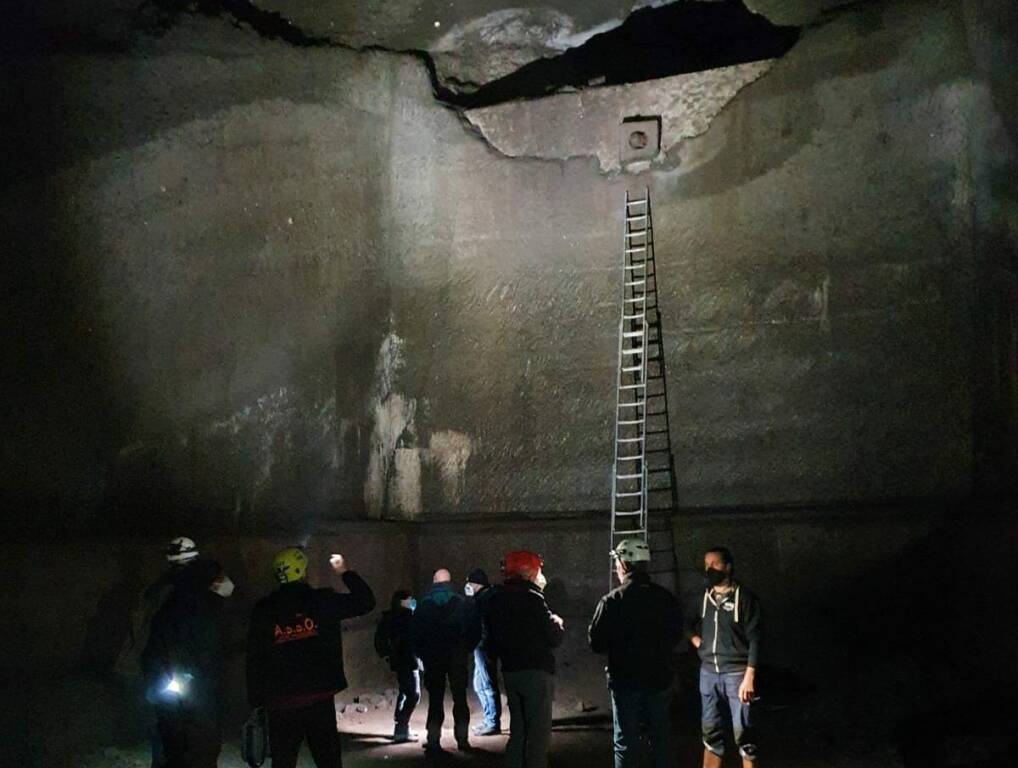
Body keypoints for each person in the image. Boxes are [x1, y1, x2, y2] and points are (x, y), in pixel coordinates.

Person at [246, 548, 375, 768]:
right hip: (318, 698)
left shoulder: (263, 609)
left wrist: (257, 700)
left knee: (283, 761)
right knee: (328, 759)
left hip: (281, 702)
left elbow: (255, 657)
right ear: (302, 572)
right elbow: (365, 602)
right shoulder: (322, 600)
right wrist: (345, 572)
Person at [140, 539, 235, 768]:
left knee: (170, 737)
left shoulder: (166, 589)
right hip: (198, 676)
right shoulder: (206, 587)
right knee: (201, 737)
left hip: (168, 674)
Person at [588, 539, 683, 768]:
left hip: (625, 681)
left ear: (623, 564)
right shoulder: (665, 598)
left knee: (625, 741)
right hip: (659, 679)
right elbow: (676, 635)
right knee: (660, 738)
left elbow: (596, 643)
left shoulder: (612, 601)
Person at [486, 551, 565, 768]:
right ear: (528, 572)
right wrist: (556, 623)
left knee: (518, 730)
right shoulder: (534, 600)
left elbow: (492, 638)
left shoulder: (497, 599)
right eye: (538, 569)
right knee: (538, 735)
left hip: (511, 671)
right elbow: (553, 638)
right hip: (537, 672)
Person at [689, 547, 761, 768]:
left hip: (736, 675)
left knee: (744, 735)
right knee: (710, 735)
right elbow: (688, 625)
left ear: (728, 567)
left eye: (714, 564)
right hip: (709, 674)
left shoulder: (745, 598)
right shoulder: (704, 598)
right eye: (706, 565)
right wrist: (699, 644)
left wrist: (749, 677)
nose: (709, 569)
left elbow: (756, 639)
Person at [412, 568, 478, 756]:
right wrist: (467, 649)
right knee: (460, 698)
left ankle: (433, 741)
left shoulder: (424, 604)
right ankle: (463, 740)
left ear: (433, 581)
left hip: (433, 657)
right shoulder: (461, 602)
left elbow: (416, 632)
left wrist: (421, 654)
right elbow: (474, 627)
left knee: (435, 700)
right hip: (457, 655)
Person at [375, 589, 422, 743]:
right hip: (407, 660)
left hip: (402, 661)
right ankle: (401, 727)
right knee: (413, 695)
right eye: (409, 599)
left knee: (405, 691)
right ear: (402, 601)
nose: (412, 601)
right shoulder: (407, 617)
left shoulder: (389, 617)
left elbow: (380, 640)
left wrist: (388, 656)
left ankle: (401, 726)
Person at [465, 568, 502, 736]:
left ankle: (493, 723)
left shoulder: (485, 599)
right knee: (479, 684)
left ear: (475, 584)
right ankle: (489, 720)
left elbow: (483, 623)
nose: (467, 586)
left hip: (484, 646)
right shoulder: (485, 597)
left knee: (487, 683)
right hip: (481, 645)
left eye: (469, 583)